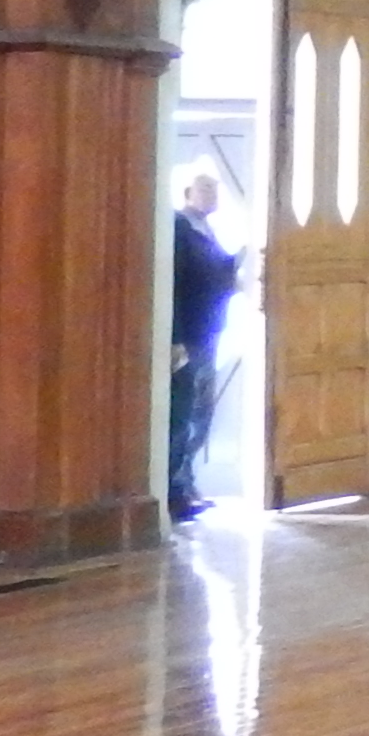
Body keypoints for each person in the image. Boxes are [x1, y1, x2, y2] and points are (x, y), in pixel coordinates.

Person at [170, 172, 244, 516]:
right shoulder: (180, 228)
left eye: (215, 189)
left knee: (201, 411)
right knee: (184, 413)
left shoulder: (206, 231)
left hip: (208, 332)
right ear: (188, 192)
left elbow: (215, 275)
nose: (212, 195)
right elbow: (178, 282)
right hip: (190, 336)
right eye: (205, 189)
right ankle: (175, 490)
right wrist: (176, 338)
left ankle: (186, 483)